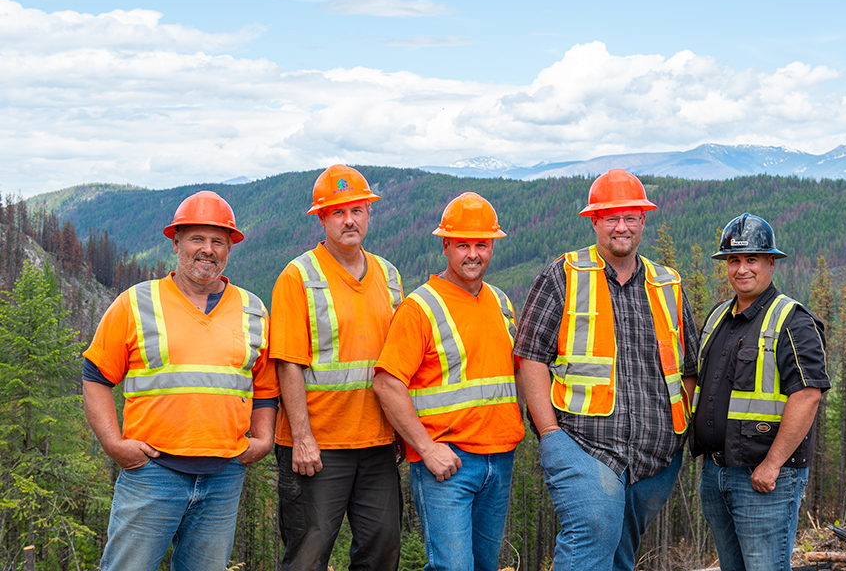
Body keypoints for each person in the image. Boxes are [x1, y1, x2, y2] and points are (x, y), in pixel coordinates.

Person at [82, 190, 278, 571]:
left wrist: (264, 438)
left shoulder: (253, 309)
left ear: (229, 248)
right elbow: (95, 376)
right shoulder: (136, 303)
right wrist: (112, 442)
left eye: (217, 241)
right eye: (197, 239)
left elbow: (266, 387)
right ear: (176, 243)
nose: (208, 250)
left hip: (224, 477)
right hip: (152, 473)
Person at [513, 168, 699, 570]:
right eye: (611, 217)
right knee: (593, 532)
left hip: (655, 456)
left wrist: (678, 436)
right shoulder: (564, 275)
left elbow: (688, 367)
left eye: (630, 217)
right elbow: (530, 356)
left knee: (618, 552)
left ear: (642, 221)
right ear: (594, 221)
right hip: (583, 443)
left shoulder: (668, 284)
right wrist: (549, 434)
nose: (621, 227)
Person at [373, 192, 524, 570]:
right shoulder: (420, 308)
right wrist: (426, 448)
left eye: (481, 245)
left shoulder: (501, 302)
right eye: (462, 245)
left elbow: (517, 376)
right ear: (446, 246)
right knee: (453, 566)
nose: (473, 254)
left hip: (500, 459)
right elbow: (387, 384)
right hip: (448, 463)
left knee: (485, 565)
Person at [271, 164, 403, 570]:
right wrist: (303, 438)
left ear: (369, 214)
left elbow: (397, 364)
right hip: (318, 446)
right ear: (322, 218)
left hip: (377, 443)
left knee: (382, 549)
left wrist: (401, 429)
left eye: (357, 210)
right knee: (307, 555)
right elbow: (288, 364)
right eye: (337, 212)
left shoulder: (388, 275)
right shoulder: (299, 276)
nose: (349, 220)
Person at [692, 213, 829, 571]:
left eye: (752, 259)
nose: (741, 269)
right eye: (734, 260)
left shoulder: (792, 320)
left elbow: (808, 395)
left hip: (764, 479)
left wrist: (771, 465)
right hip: (716, 472)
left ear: (771, 262)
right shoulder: (718, 316)